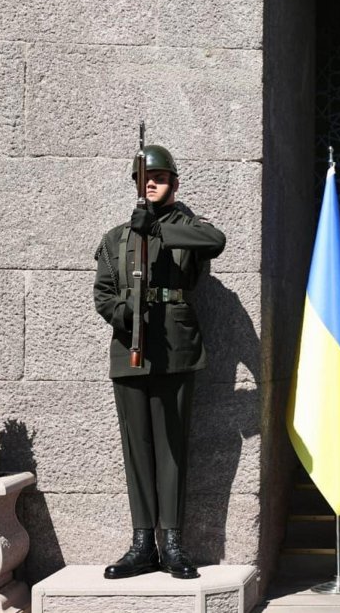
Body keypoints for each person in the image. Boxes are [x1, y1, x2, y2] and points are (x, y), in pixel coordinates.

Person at [94, 145, 226, 580]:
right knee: (138, 451)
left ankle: (172, 542)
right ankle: (141, 544)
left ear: (174, 182)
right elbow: (103, 293)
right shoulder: (116, 237)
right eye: (143, 177)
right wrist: (122, 312)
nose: (150, 182)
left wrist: (158, 231)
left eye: (159, 177)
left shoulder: (187, 226)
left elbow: (216, 241)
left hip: (175, 348)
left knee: (171, 447)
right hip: (130, 349)